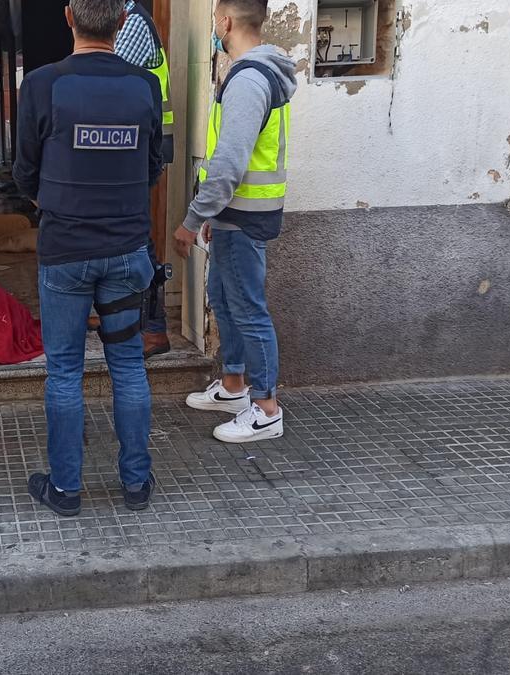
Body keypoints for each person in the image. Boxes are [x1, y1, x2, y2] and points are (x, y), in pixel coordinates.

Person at [14, 0, 163, 516]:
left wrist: (55, 204)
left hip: (65, 255)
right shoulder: (145, 86)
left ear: (68, 16)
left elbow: (23, 173)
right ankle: (137, 485)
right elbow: (152, 167)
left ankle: (66, 490)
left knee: (63, 371)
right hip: (126, 252)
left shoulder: (41, 85)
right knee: (128, 366)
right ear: (122, 23)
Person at [172, 0, 296, 444]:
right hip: (233, 213)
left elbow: (227, 164)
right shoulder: (253, 73)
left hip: (245, 216)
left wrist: (192, 219)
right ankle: (234, 386)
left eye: (213, 21)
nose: (213, 28)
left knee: (247, 309)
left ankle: (266, 409)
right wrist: (214, 214)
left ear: (225, 21)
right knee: (224, 300)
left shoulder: (249, 79)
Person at [112, 0, 174, 359]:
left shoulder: (133, 24)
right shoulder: (124, 22)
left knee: (137, 240)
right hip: (131, 146)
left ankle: (154, 328)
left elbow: (112, 79)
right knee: (124, 235)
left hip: (142, 149)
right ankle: (124, 311)